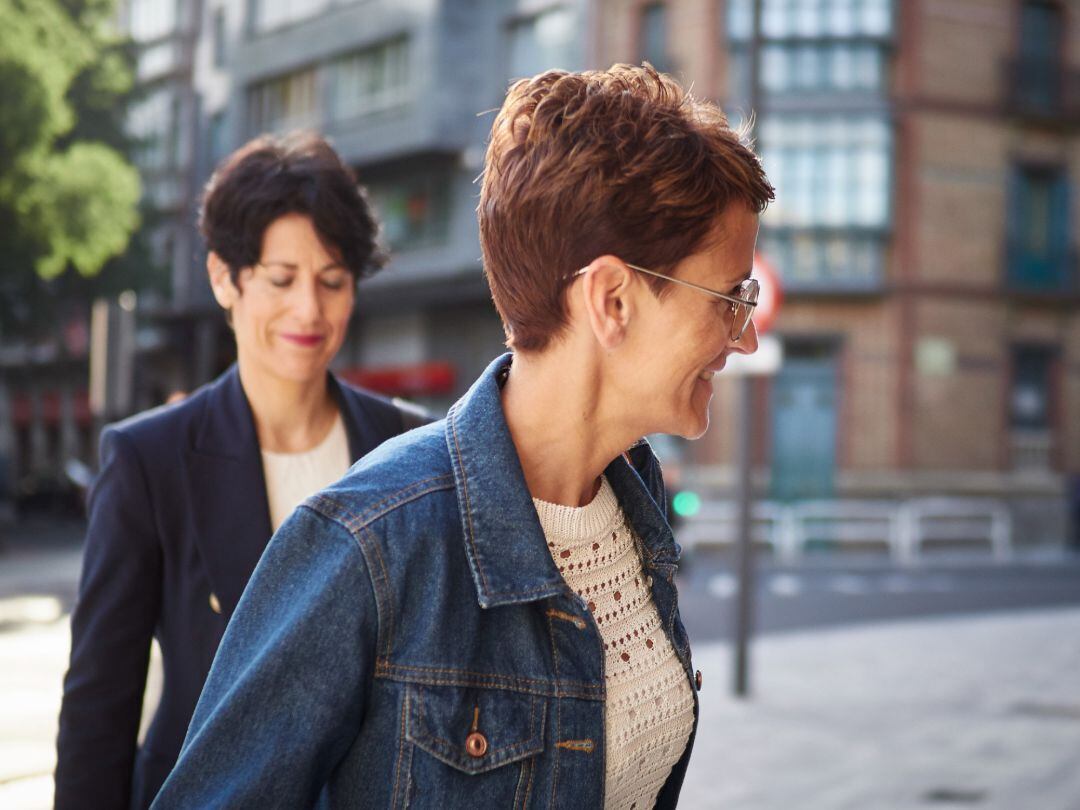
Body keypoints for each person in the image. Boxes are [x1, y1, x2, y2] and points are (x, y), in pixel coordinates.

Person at [153, 64, 773, 809]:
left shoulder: (635, 493)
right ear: (612, 299)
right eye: (728, 298)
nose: (745, 340)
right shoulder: (368, 541)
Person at [55, 132, 427, 810]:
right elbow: (99, 705)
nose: (309, 310)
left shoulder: (408, 444)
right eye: (282, 280)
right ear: (224, 278)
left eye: (333, 281)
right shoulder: (149, 459)